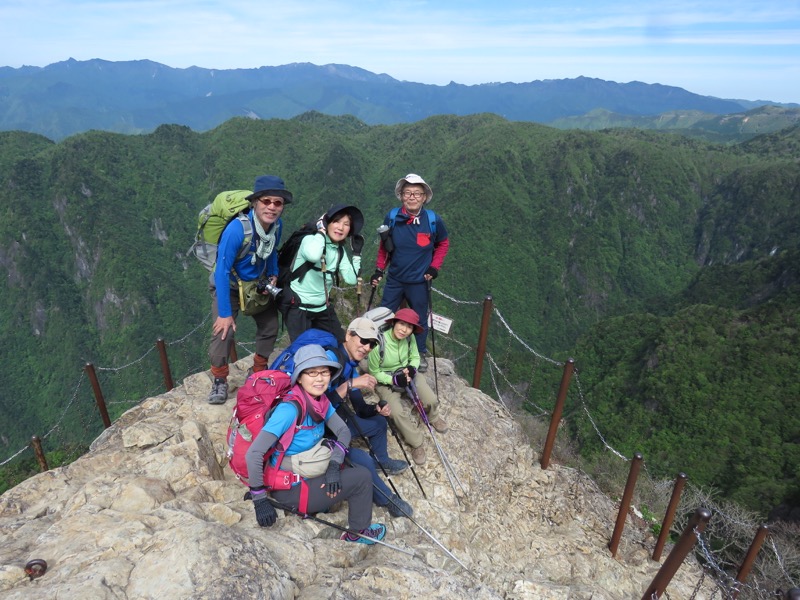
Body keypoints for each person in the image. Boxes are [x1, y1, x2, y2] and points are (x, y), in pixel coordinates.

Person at [245, 344, 386, 544]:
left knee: (348, 460)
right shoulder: (289, 410)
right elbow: (254, 453)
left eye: (324, 372)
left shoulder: (320, 401)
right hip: (291, 487)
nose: (319, 378)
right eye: (311, 373)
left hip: (308, 470)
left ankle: (324, 501)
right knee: (362, 477)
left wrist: (335, 464)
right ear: (299, 378)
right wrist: (259, 499)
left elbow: (343, 431)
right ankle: (358, 533)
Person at [207, 174, 291, 405]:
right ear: (255, 202)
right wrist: (224, 313)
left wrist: (273, 275)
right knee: (223, 331)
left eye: (278, 203)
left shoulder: (276, 226)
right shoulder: (237, 230)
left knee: (270, 326)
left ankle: (258, 370)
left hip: (257, 284)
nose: (272, 207)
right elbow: (222, 270)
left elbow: (272, 251)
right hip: (231, 285)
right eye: (266, 201)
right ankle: (220, 380)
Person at [325, 317, 413, 518]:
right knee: (361, 459)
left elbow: (361, 409)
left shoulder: (350, 367)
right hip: (322, 431)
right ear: (348, 335)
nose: (367, 347)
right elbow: (317, 408)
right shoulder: (330, 362)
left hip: (339, 422)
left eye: (372, 344)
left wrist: (376, 410)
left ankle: (381, 460)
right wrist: (350, 384)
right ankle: (388, 499)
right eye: (363, 340)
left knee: (379, 423)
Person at [370, 174, 449, 373]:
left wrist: (434, 267)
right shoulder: (393, 217)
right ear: (401, 196)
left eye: (417, 193)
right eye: (408, 193)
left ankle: (419, 352)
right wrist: (379, 269)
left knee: (419, 318)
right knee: (384, 314)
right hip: (395, 278)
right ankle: (378, 348)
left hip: (419, 280)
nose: (412, 197)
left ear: (424, 197)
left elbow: (443, 243)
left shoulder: (432, 220)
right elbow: (384, 246)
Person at [368, 308, 448, 465]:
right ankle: (416, 443)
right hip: (388, 379)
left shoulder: (409, 339)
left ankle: (433, 417)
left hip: (407, 373)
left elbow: (415, 357)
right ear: (394, 323)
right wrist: (394, 380)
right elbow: (374, 372)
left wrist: (412, 368)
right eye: (402, 324)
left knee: (431, 399)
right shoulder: (378, 344)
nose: (404, 330)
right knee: (396, 413)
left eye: (409, 327)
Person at [283, 204, 364, 343]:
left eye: (346, 224)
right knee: (303, 351)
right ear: (327, 223)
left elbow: (351, 279)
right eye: (336, 222)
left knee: (339, 344)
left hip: (322, 308)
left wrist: (356, 254)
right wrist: (321, 231)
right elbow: (314, 256)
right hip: (299, 307)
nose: (341, 227)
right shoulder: (310, 240)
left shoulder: (339, 251)